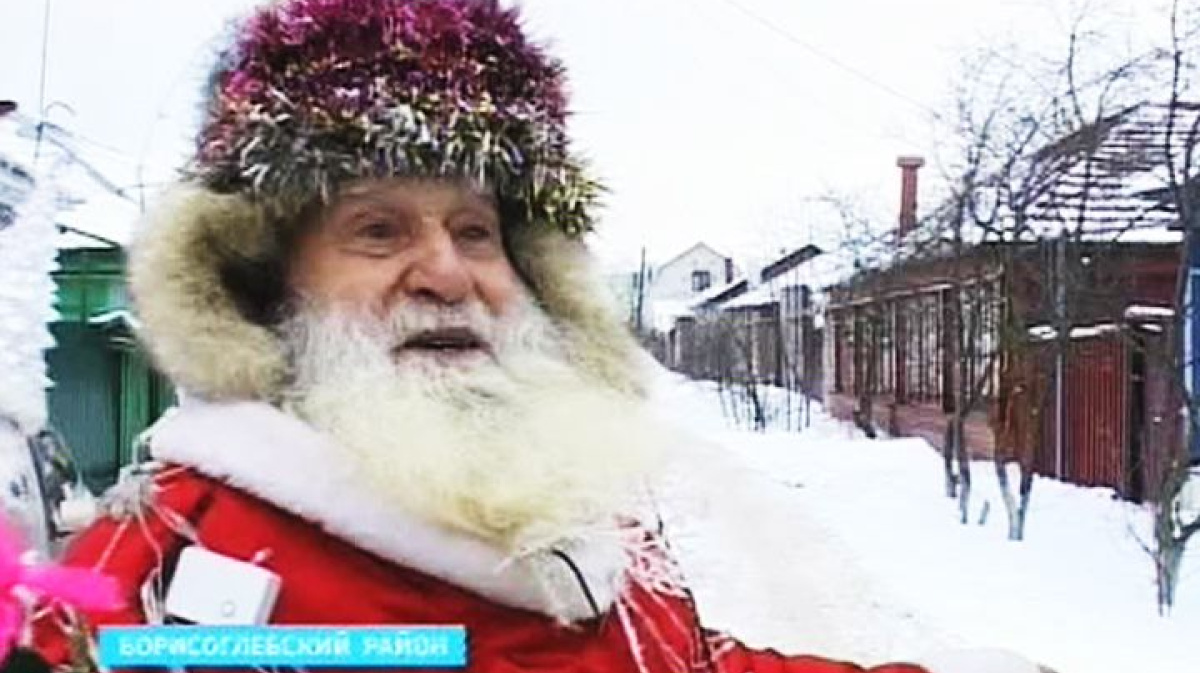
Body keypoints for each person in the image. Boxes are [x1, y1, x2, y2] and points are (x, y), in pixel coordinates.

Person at [12, 1, 1050, 671]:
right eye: (377, 229)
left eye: (478, 230)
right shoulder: (148, 580)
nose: (449, 270)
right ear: (261, 282)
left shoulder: (557, 508)